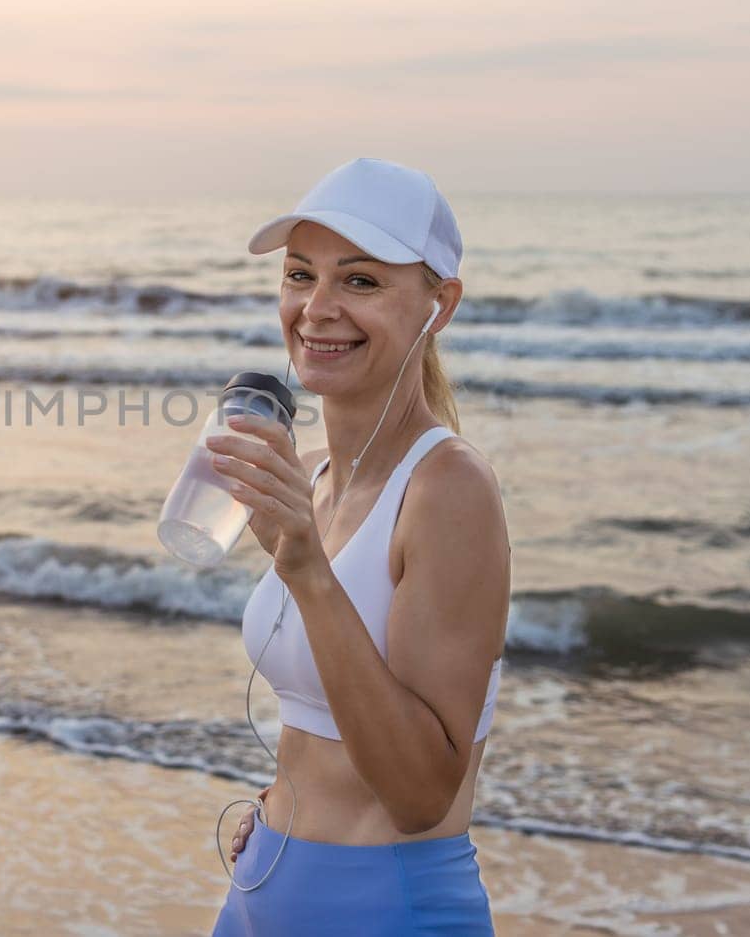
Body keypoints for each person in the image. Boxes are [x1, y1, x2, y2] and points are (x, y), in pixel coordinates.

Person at [207, 158, 509, 935]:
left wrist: (307, 570)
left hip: (382, 910)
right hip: (262, 887)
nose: (317, 308)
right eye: (301, 274)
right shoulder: (309, 479)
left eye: (361, 281)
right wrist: (282, 816)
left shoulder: (448, 489)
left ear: (439, 305)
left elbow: (419, 793)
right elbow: (324, 716)